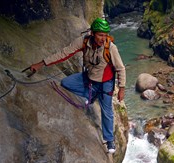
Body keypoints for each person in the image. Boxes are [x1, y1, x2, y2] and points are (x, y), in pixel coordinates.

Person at [30, 18, 126, 154]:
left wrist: (121, 88)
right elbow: (64, 54)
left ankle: (109, 140)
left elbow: (120, 68)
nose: (102, 38)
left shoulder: (110, 48)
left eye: (105, 35)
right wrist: (41, 64)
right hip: (89, 78)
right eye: (100, 35)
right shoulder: (84, 41)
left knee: (107, 111)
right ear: (93, 33)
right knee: (66, 83)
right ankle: (91, 95)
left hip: (106, 84)